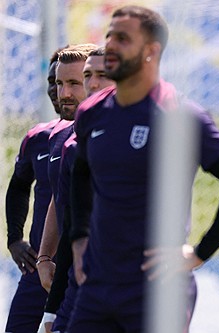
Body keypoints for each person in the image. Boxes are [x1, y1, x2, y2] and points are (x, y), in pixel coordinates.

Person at [67, 6, 219, 332]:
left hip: (157, 292)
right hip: (97, 288)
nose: (111, 44)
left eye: (123, 39)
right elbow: (80, 174)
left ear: (151, 51)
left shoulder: (179, 114)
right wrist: (79, 240)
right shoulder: (91, 113)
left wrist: (200, 252)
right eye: (110, 35)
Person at [37, 46, 114, 333]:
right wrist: (45, 256)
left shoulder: (141, 131)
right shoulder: (64, 141)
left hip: (127, 284)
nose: (64, 94)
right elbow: (63, 208)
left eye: (74, 82)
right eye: (59, 83)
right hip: (74, 281)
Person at [4, 47, 66, 333]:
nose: (57, 90)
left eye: (67, 82)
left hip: (85, 268)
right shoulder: (38, 137)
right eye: (52, 82)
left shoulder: (104, 135)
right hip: (38, 268)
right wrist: (14, 239)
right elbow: (18, 187)